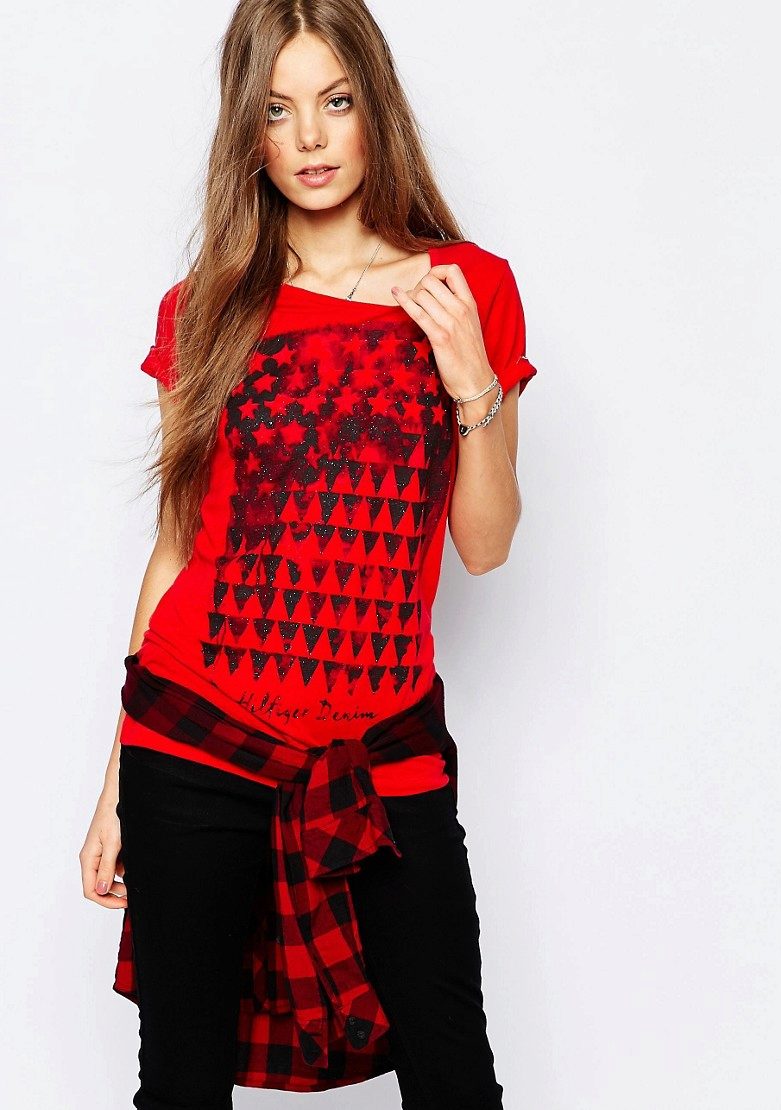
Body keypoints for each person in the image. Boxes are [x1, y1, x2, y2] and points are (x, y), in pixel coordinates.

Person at [79, 1, 537, 1106]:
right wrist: (114, 782)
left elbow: (485, 547)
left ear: (375, 107)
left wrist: (470, 377)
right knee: (181, 1083)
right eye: (279, 111)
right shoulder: (206, 309)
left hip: (382, 743)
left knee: (455, 1075)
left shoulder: (465, 289)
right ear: (249, 130)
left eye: (335, 101)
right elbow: (177, 548)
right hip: (196, 734)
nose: (313, 138)